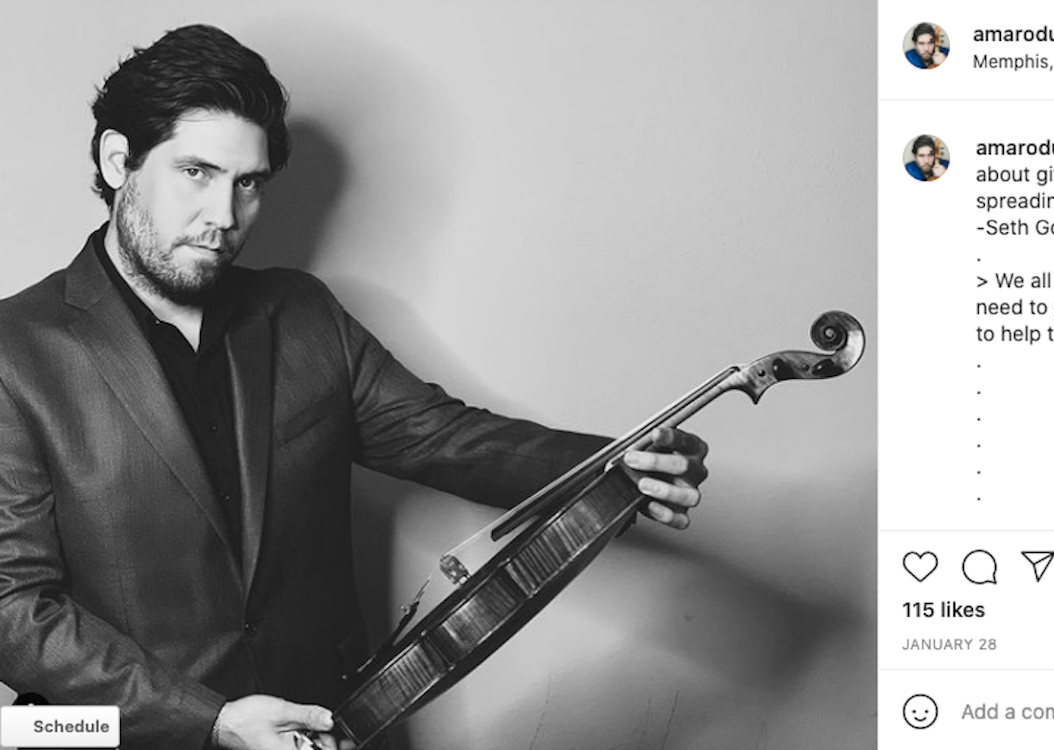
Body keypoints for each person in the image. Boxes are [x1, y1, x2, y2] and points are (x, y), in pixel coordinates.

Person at [0, 25, 709, 750]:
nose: (224, 216)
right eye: (197, 173)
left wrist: (615, 463)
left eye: (248, 184)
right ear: (119, 160)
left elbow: (446, 437)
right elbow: (13, 607)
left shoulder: (303, 313)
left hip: (337, 732)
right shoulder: (14, 353)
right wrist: (207, 720)